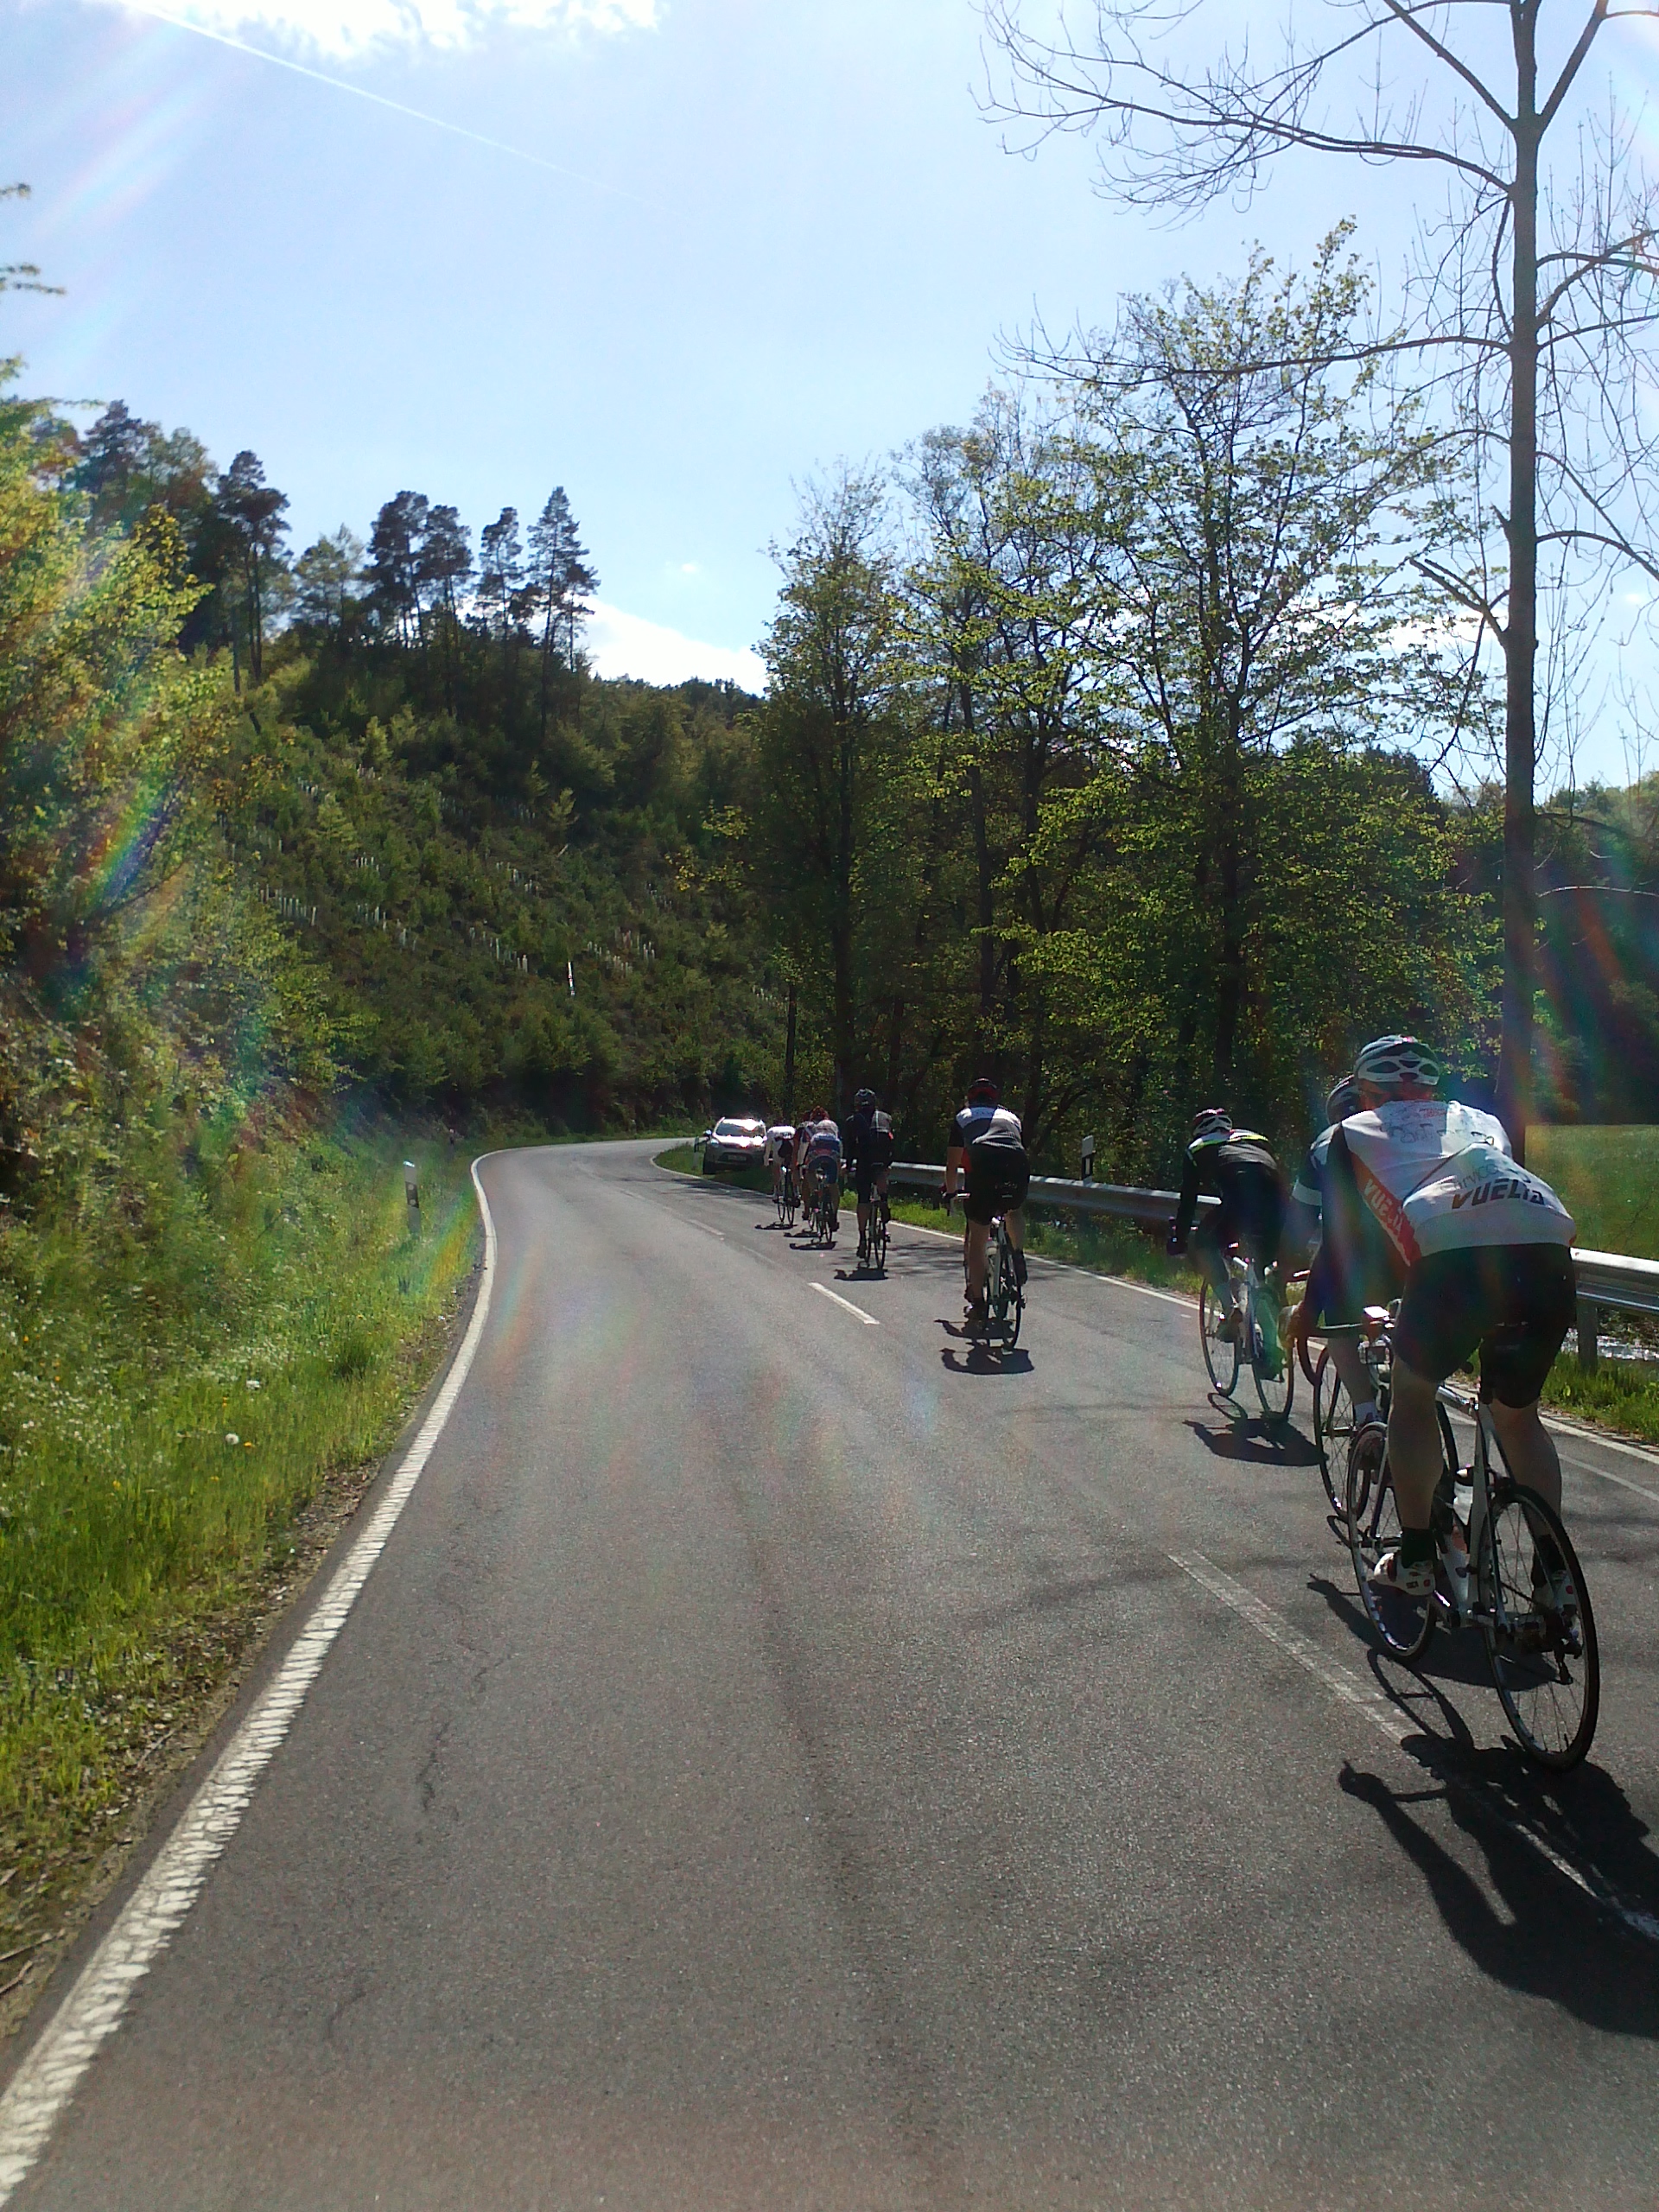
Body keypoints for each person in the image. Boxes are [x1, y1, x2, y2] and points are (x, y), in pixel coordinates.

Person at [1286, 1034, 1577, 1602]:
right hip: (1547, 1249)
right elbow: (1494, 1204)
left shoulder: (1352, 1132)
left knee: (1413, 1396)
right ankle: (1555, 1577)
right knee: (1519, 1420)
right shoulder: (1483, 1120)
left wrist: (1308, 1311)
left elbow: (1343, 1244)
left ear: (1367, 1094)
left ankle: (1416, 1557)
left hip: (1453, 1263)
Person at [1284, 1074, 1381, 1425]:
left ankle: (1366, 1416)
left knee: (1340, 1330)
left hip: (1354, 1252)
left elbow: (1302, 1221)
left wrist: (1286, 1265)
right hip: (1421, 1246)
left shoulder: (1326, 1142)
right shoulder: (1406, 1130)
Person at [1166, 1110, 1287, 1341]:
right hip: (1279, 1201)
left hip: (1240, 1199)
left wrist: (1180, 1239)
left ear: (1198, 1131)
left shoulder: (1197, 1148)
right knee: (1262, 1267)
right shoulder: (1256, 1138)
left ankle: (1230, 1309)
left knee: (1202, 1242)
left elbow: (1188, 1201)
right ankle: (1273, 1340)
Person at [943, 1077, 1029, 1329]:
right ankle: (1018, 1254)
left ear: (970, 1100)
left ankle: (978, 1303)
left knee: (978, 1238)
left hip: (983, 1163)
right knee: (1013, 1210)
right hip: (1017, 1162)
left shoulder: (963, 1117)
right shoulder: (1011, 1117)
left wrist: (950, 1192)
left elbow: (952, 1164)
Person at [844, 1088, 895, 1266]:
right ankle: (884, 1199)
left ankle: (862, 1238)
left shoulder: (853, 1121)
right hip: (883, 1156)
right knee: (881, 1171)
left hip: (865, 1160)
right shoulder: (885, 1117)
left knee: (863, 1199)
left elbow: (850, 1147)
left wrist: (848, 1166)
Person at [803, 1109, 843, 1237]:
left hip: (817, 1143)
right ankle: (834, 1216)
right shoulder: (834, 1125)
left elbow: (807, 1146)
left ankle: (815, 1192)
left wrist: (803, 1163)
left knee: (810, 1171)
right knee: (833, 1183)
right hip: (834, 1146)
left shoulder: (815, 1126)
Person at [762, 1119, 797, 1209]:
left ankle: (776, 1192)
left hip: (779, 1149)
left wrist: (766, 1161)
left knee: (776, 1166)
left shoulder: (771, 1131)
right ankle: (796, 1191)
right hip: (791, 1147)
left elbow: (768, 1147)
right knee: (794, 1167)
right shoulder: (791, 1129)